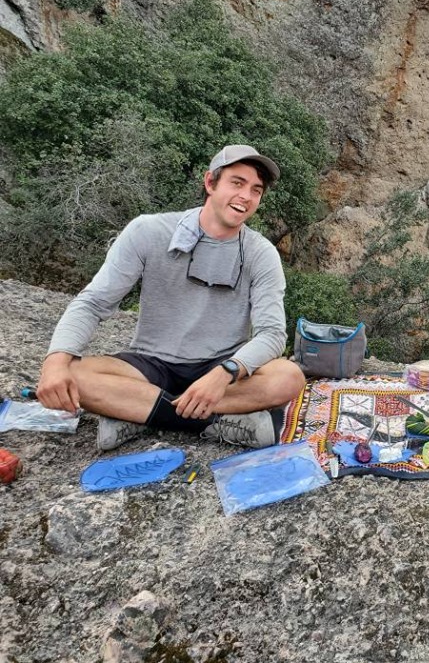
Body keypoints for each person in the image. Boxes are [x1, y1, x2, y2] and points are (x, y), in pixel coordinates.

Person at [36, 144, 306, 451]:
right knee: (72, 374)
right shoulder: (148, 231)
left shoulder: (261, 254)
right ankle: (215, 424)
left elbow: (271, 334)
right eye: (237, 183)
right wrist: (55, 362)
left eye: (256, 190)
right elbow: (93, 302)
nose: (246, 196)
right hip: (150, 365)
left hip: (221, 365)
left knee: (289, 377)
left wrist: (226, 372)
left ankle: (136, 412)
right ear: (210, 183)